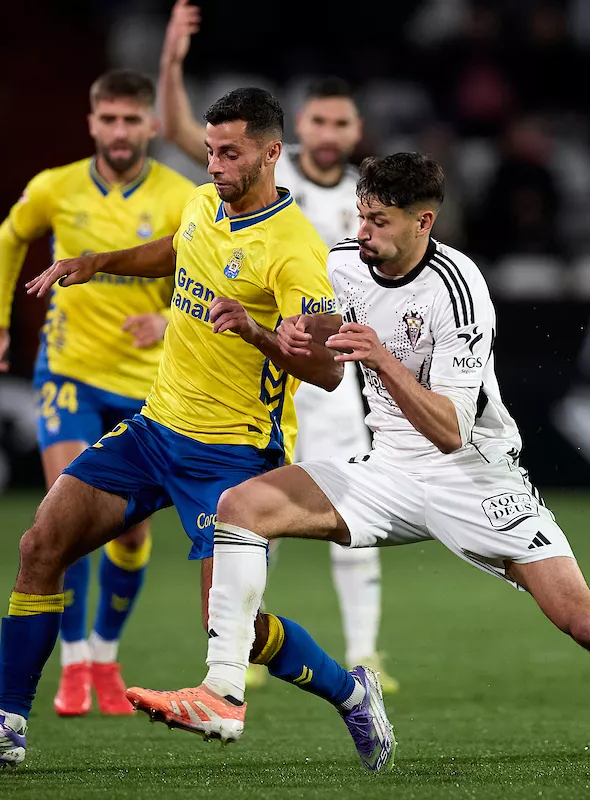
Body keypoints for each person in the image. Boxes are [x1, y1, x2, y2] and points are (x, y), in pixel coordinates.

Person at [128, 153, 590, 780]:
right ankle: (224, 693)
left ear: (424, 222)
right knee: (239, 508)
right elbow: (321, 372)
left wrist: (380, 358)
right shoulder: (343, 267)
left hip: (474, 478)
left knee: (588, 624)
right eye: (362, 215)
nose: (363, 232)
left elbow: (448, 431)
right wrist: (260, 333)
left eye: (380, 221)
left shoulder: (457, 292)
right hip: (384, 472)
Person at [0, 87, 394, 771]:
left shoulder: (296, 250)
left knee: (231, 633)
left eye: (230, 153)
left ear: (272, 153)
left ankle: (351, 693)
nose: (214, 165)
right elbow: (177, 250)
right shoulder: (202, 201)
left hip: (233, 455)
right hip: (155, 430)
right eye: (210, 151)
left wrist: (257, 331)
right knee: (41, 544)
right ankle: (8, 722)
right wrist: (100, 263)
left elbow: (327, 372)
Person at [159, 0, 396, 691]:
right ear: (296, 132)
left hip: (334, 381)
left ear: (355, 131)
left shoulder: (369, 199)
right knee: (253, 516)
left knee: (350, 518)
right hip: (263, 377)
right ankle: (241, 644)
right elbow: (178, 132)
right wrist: (173, 61)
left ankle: (366, 652)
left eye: (339, 121)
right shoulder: (265, 178)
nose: (327, 132)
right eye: (316, 120)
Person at [0, 70, 193, 718]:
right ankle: (72, 666)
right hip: (68, 374)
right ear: (92, 123)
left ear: (153, 126)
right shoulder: (55, 186)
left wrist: (170, 319)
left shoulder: (183, 197)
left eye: (133, 120)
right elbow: (10, 238)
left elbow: (205, 275)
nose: (121, 132)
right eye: (110, 120)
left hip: (149, 386)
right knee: (62, 518)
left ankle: (104, 650)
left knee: (127, 539)